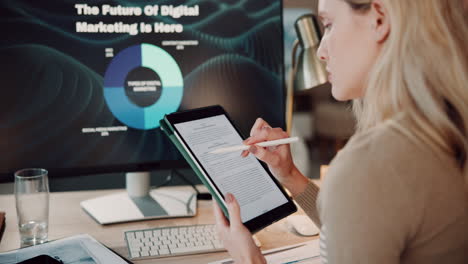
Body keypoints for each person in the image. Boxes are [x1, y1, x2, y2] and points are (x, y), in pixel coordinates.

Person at [212, 0, 468, 263]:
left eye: (329, 24)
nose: (321, 51)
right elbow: (363, 230)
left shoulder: (373, 164)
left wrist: (248, 258)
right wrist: (289, 175)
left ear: (379, 20)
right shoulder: (441, 132)